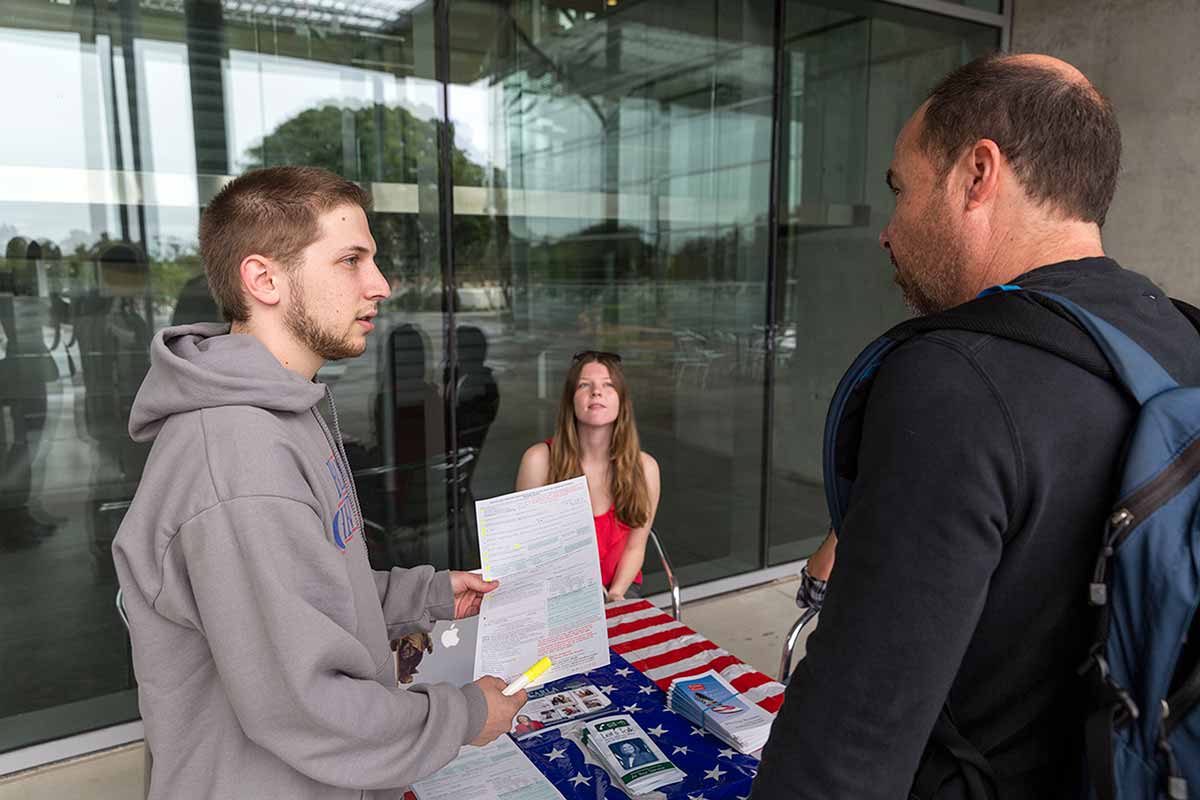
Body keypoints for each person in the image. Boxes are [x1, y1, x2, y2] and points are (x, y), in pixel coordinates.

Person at [750, 54, 1200, 800]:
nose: (888, 233)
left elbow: (850, 747)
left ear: (978, 174)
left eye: (901, 189)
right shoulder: (1179, 340)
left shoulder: (953, 380)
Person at [111, 166, 526, 800]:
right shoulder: (240, 465)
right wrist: (466, 715)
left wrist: (430, 595)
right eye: (351, 260)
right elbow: (306, 705)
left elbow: (316, 594)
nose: (380, 285)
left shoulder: (289, 412)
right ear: (263, 279)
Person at [516, 351, 660, 601]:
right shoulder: (539, 461)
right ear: (570, 400)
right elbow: (526, 551)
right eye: (585, 385)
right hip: (554, 592)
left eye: (608, 385)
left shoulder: (646, 468)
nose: (596, 392)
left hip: (620, 589)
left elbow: (636, 547)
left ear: (621, 401)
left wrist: (615, 594)